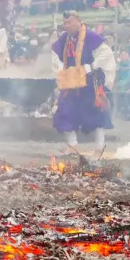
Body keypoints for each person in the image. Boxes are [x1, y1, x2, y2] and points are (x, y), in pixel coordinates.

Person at [51, 11, 116, 158]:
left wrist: (90, 67)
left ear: (78, 21)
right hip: (70, 81)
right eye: (65, 23)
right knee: (65, 110)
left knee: (95, 113)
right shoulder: (64, 39)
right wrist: (61, 70)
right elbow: (55, 54)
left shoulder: (91, 37)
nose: (67, 25)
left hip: (90, 81)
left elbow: (106, 55)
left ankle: (99, 147)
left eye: (70, 22)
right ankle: (72, 146)